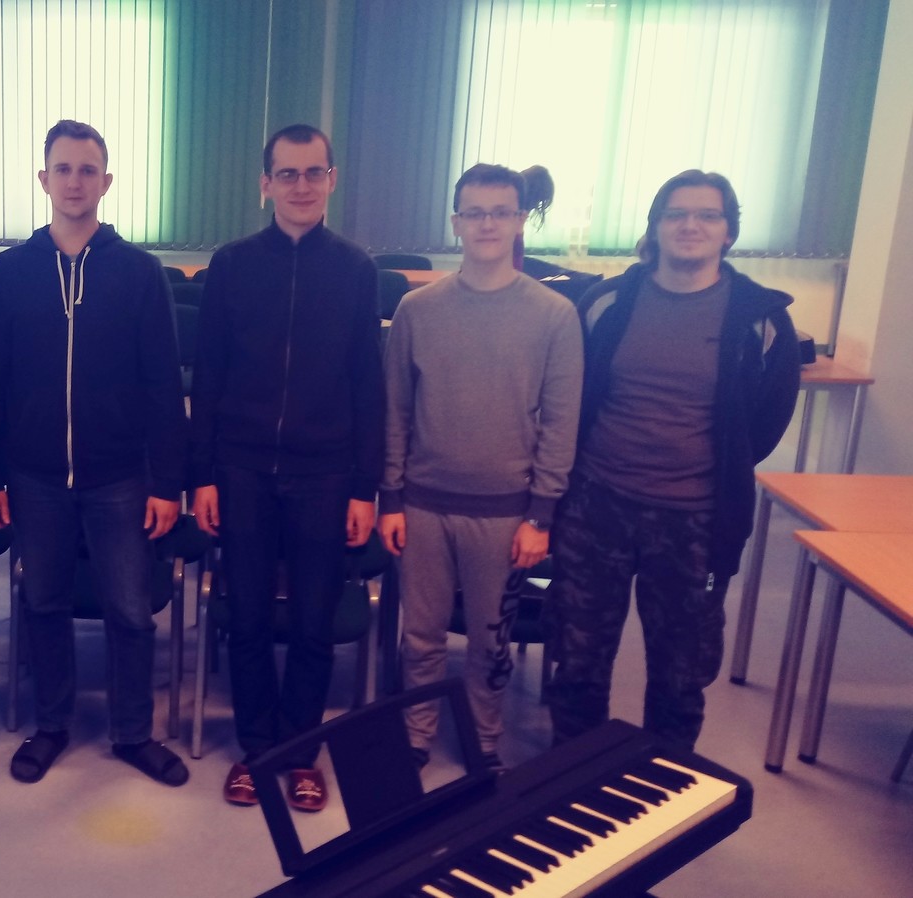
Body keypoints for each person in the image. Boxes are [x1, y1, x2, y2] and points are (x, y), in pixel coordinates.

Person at [545, 170, 801, 751]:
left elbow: (766, 421)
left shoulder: (761, 320)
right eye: (676, 213)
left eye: (708, 215)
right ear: (656, 226)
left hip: (697, 521)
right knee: (578, 663)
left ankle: (664, 787)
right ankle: (571, 778)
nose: (691, 225)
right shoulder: (606, 304)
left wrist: (713, 466)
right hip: (596, 508)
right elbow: (572, 396)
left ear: (729, 232)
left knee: (680, 678)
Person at [0, 119, 190, 787]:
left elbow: (163, 384)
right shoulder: (9, 273)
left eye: (87, 169)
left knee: (130, 611)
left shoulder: (139, 273)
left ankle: (133, 733)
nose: (75, 181)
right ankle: (51, 725)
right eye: (63, 169)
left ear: (106, 181)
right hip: (32, 476)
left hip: (120, 477)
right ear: (44, 179)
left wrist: (167, 483)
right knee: (43, 603)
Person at [188, 124, 382, 811]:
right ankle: (256, 751)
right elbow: (208, 376)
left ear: (332, 179)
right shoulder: (232, 265)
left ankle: (299, 753)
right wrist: (201, 476)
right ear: (265, 183)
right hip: (240, 469)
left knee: (311, 623)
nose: (302, 185)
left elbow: (368, 384)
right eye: (288, 174)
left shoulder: (356, 270)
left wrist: (365, 488)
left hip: (326, 472)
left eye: (314, 172)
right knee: (245, 617)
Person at [379, 163, 583, 771]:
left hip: (507, 513)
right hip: (423, 504)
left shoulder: (553, 315)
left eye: (501, 212)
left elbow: (561, 422)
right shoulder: (417, 309)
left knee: (490, 641)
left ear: (520, 220)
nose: (487, 224)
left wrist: (541, 515)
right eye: (475, 213)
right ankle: (416, 733)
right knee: (421, 636)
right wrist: (391, 497)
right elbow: (395, 410)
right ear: (456, 223)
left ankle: (483, 740)